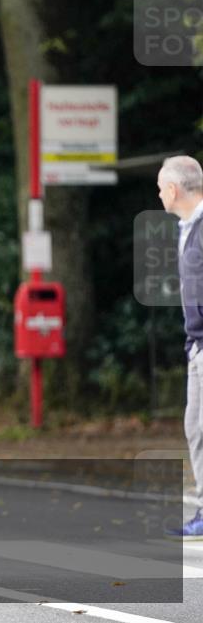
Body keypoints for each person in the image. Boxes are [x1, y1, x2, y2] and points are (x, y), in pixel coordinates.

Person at [158, 155, 203, 540]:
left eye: (160, 188)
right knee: (195, 426)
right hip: (197, 345)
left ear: (173, 190)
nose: (159, 195)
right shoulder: (187, 227)